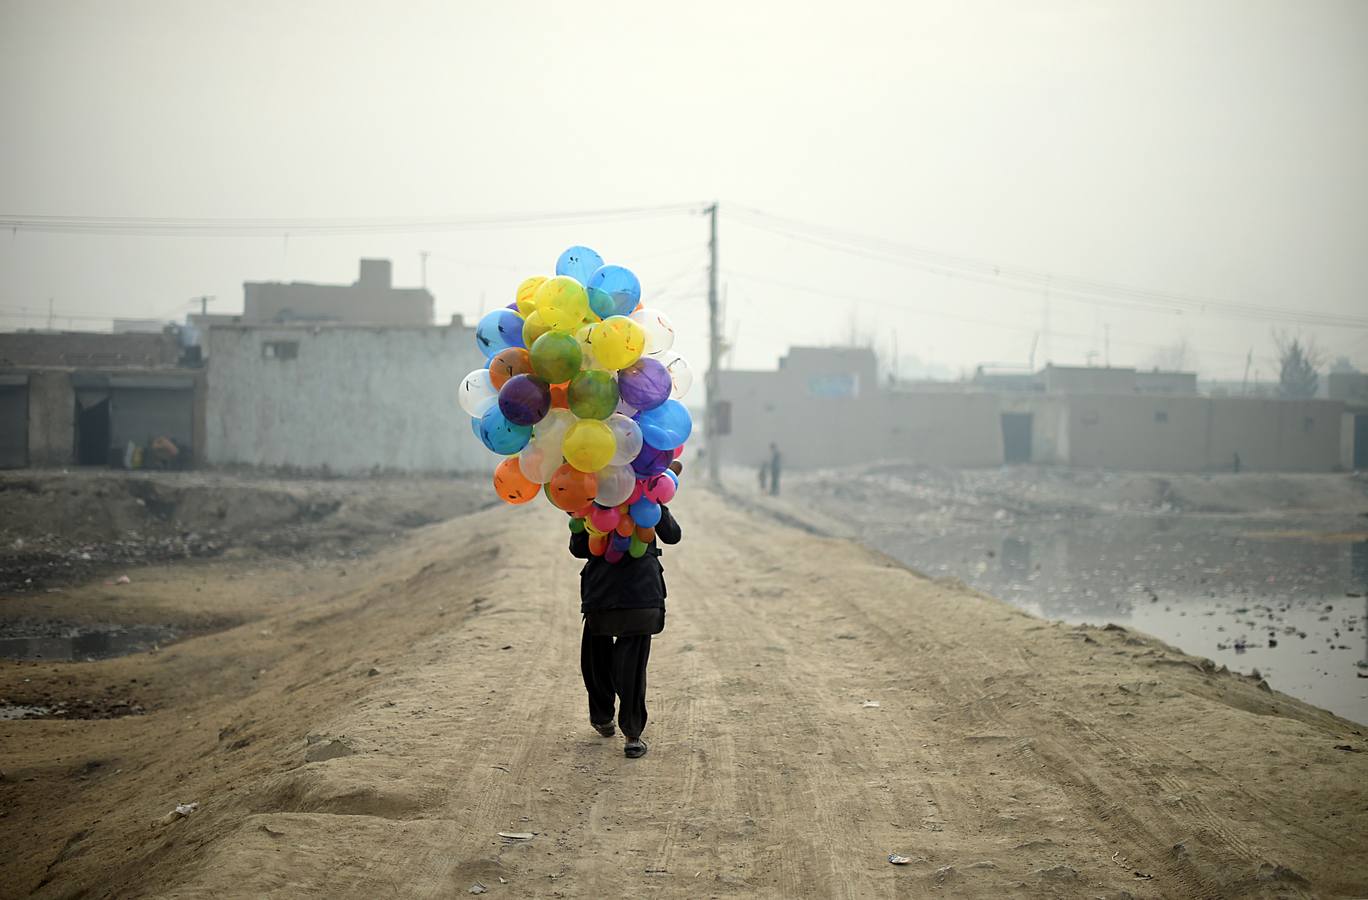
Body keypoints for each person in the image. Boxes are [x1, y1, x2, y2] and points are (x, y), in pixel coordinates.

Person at [569, 464, 683, 759]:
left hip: (602, 593)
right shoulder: (647, 494)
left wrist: (583, 517)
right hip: (640, 593)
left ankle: (603, 715)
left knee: (596, 659)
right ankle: (632, 734)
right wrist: (656, 502)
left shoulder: (591, 496)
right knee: (632, 668)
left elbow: (579, 548)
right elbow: (672, 535)